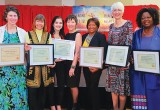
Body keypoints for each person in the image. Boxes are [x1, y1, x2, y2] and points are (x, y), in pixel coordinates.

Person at [130, 7, 160, 110]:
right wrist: (131, 59)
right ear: (140, 20)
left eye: (148, 17)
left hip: (155, 76)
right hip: (139, 76)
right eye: (143, 18)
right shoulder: (136, 34)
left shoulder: (159, 32)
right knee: (140, 105)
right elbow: (132, 51)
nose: (146, 20)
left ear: (153, 17)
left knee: (155, 101)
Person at [105, 2, 133, 110]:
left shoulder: (128, 24)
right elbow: (109, 43)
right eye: (114, 10)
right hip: (112, 62)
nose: (117, 12)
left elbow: (129, 42)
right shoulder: (111, 26)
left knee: (122, 90)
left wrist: (126, 59)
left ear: (123, 11)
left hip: (123, 62)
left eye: (119, 10)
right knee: (113, 89)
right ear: (112, 12)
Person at [25, 14, 56, 110]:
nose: (39, 23)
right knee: (32, 95)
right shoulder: (28, 34)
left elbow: (51, 52)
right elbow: (26, 51)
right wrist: (25, 49)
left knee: (42, 95)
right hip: (32, 70)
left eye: (41, 21)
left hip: (45, 70)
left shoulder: (48, 35)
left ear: (44, 23)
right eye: (38, 21)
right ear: (34, 22)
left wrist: (52, 62)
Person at [0, 6, 28, 109]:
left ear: (18, 17)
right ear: (6, 17)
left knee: (19, 94)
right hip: (3, 70)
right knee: (4, 94)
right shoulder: (0, 31)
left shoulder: (23, 32)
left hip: (19, 70)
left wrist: (26, 49)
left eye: (15, 16)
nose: (13, 18)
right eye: (10, 15)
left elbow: (25, 51)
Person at [82, 18, 107, 110]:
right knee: (89, 86)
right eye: (89, 25)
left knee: (93, 87)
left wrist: (98, 67)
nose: (91, 26)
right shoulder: (84, 37)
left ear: (97, 26)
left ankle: (95, 107)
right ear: (87, 26)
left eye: (93, 25)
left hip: (96, 67)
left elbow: (104, 53)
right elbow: (82, 51)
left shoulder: (101, 36)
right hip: (86, 67)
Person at [65, 14, 82, 110]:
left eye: (72, 21)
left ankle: (75, 105)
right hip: (66, 63)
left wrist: (73, 67)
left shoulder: (78, 35)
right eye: (68, 21)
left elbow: (77, 52)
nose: (70, 24)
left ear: (76, 23)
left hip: (73, 64)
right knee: (70, 85)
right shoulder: (67, 35)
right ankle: (71, 103)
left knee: (73, 85)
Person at [50, 16, 65, 110]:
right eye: (56, 22)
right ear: (53, 24)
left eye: (60, 23)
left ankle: (59, 104)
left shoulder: (64, 37)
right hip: (51, 64)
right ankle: (52, 105)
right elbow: (45, 51)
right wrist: (53, 60)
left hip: (62, 64)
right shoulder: (48, 36)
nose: (58, 25)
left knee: (61, 84)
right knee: (50, 84)